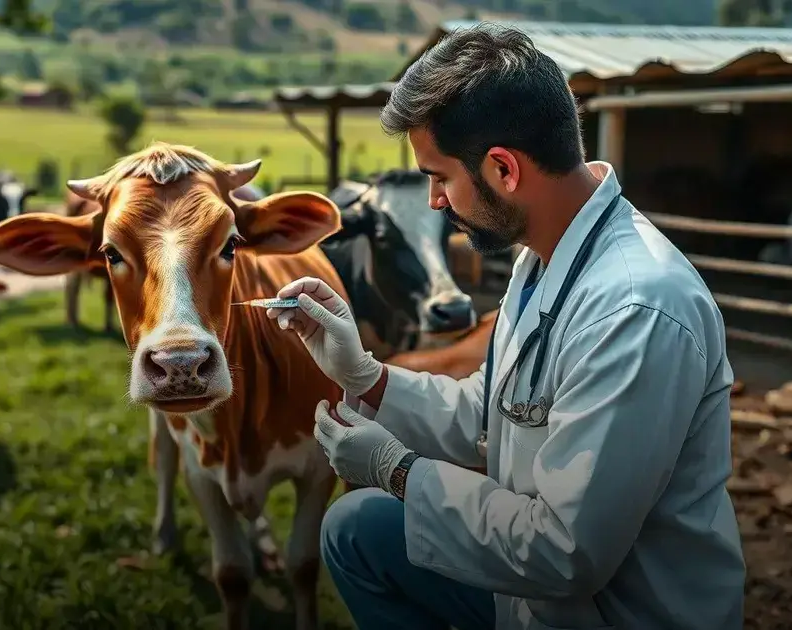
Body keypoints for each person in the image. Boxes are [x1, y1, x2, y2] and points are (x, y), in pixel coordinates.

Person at [266, 22, 746, 630]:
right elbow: (494, 416)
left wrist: (400, 471)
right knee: (355, 530)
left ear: (503, 169)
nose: (435, 200)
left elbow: (565, 552)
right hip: (533, 597)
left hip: (617, 613)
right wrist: (366, 374)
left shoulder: (635, 311)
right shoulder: (544, 258)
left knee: (372, 517)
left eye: (439, 176)